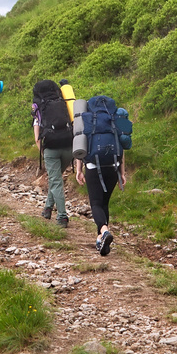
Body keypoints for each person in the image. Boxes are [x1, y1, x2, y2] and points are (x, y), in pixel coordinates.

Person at [74, 95, 128, 255]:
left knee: (96, 203)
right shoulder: (115, 119)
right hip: (113, 166)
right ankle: (101, 240)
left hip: (93, 166)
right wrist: (122, 173)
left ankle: (104, 231)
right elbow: (122, 147)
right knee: (104, 203)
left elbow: (80, 146)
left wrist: (79, 170)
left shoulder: (87, 119)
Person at [32, 79, 73, 228]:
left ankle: (62, 217)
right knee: (56, 179)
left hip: (51, 149)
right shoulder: (63, 103)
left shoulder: (40, 108)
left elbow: (37, 137)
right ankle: (47, 208)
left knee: (56, 182)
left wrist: (43, 152)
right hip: (69, 147)